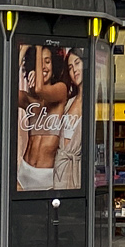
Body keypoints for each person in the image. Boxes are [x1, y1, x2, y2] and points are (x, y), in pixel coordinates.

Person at [16, 44, 79, 190]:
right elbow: (5, 90)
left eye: (47, 61)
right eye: (39, 61)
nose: (43, 67)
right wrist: (23, 51)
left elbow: (40, 89)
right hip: (24, 172)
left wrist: (38, 46)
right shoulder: (29, 100)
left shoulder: (61, 90)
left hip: (48, 177)